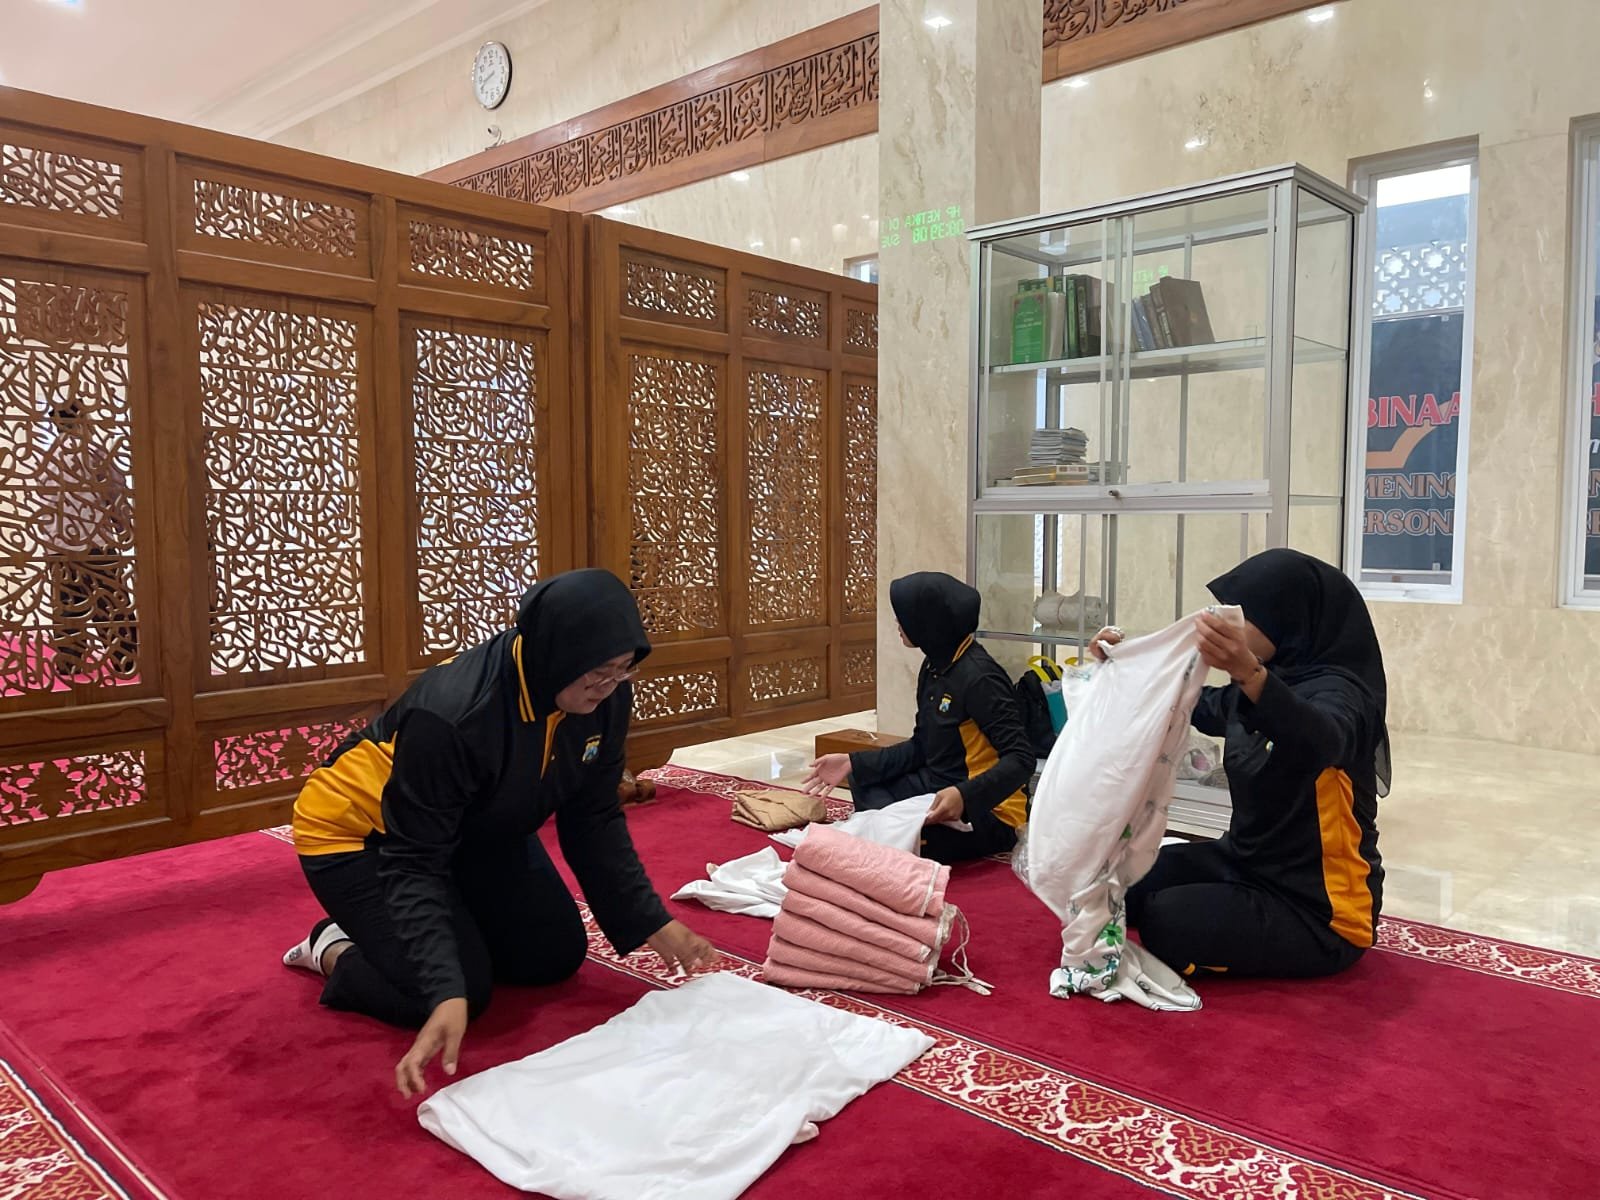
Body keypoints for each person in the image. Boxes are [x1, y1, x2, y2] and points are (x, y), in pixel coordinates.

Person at [281, 569, 718, 1097]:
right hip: (365, 838)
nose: (607, 687)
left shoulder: (605, 698)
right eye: (597, 673)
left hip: (477, 826)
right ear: (554, 654)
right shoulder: (454, 713)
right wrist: (445, 987)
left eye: (623, 670)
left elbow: (593, 817)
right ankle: (333, 946)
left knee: (551, 954)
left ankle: (440, 933)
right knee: (456, 991)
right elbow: (413, 860)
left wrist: (649, 920)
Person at [1097, 549, 1388, 979]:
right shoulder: (1272, 680)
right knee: (1120, 880)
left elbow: (1322, 739)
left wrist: (1251, 675)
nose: (1231, 624)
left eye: (1245, 615)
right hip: (1244, 863)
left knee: (1167, 921)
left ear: (1286, 618)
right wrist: (1121, 664)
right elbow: (1191, 703)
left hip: (1319, 908)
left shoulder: (1343, 694)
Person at [800, 571, 1034, 864]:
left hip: (988, 808)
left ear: (929, 622)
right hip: (938, 784)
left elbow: (1021, 759)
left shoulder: (980, 678)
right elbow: (922, 746)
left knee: (912, 833)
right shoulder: (933, 666)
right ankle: (897, 829)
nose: (899, 623)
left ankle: (903, 831)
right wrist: (853, 762)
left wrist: (964, 796)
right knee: (863, 781)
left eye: (905, 615)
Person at [35, 400, 137, 683]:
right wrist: (125, 528)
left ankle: (70, 665)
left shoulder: (46, 458)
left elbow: (42, 503)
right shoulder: (92, 452)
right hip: (96, 542)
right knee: (111, 604)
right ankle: (125, 661)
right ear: (82, 421)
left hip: (58, 547)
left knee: (68, 608)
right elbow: (115, 491)